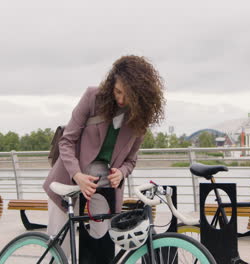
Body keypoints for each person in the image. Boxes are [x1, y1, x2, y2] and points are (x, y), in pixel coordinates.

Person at [42, 55, 165, 262]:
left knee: (101, 247)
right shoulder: (93, 97)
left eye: (128, 96)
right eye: (118, 91)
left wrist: (121, 173)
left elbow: (131, 161)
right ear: (111, 85)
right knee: (59, 249)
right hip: (70, 175)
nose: (121, 99)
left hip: (103, 185)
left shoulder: (139, 122)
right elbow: (66, 141)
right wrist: (77, 175)